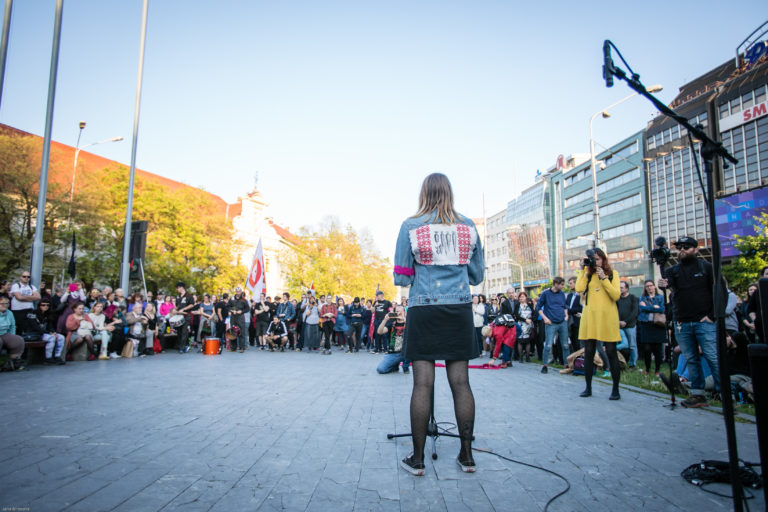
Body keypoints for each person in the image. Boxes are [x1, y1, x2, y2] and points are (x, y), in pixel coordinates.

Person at [393, 172, 484, 476]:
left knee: (422, 384)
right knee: (461, 383)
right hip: (458, 309)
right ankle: (467, 456)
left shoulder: (410, 226)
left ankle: (417, 460)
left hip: (425, 309)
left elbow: (402, 277)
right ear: (449, 192)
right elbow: (476, 276)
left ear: (424, 194)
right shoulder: (468, 226)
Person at [658, 236, 723, 408]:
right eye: (679, 248)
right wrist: (662, 284)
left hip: (704, 321)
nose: (682, 250)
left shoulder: (707, 268)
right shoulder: (673, 271)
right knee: (691, 359)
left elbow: (720, 291)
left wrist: (712, 316)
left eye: (686, 247)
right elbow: (668, 285)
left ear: (696, 249)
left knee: (712, 357)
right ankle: (698, 395)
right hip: (682, 323)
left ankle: (724, 394)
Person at [576, 249, 622, 400]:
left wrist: (604, 279)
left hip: (607, 317)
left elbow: (616, 295)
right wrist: (582, 270)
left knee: (611, 352)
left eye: (597, 259)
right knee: (588, 352)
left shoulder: (612, 274)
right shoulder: (588, 275)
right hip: (590, 317)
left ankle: (615, 389)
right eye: (592, 259)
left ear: (603, 259)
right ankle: (588, 387)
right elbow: (579, 288)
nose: (595, 262)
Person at [535, 277, 570, 374]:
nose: (563, 286)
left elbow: (564, 306)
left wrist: (566, 315)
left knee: (565, 345)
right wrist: (545, 318)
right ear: (555, 284)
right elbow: (538, 307)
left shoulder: (562, 294)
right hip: (551, 323)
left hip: (562, 322)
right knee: (548, 345)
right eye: (561, 284)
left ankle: (567, 365)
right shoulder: (545, 294)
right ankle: (544, 365)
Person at [22, 299, 66, 365]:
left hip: (45, 333)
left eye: (48, 305)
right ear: (39, 306)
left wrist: (53, 332)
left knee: (61, 337)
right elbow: (35, 327)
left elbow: (50, 326)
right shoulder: (32, 313)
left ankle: (57, 356)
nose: (46, 306)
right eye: (43, 305)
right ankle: (48, 358)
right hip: (34, 334)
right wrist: (49, 333)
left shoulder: (48, 314)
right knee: (51, 338)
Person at [637, 280, 666, 376]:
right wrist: (654, 307)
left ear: (654, 286)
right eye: (647, 286)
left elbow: (662, 309)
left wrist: (648, 307)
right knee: (647, 349)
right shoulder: (642, 298)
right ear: (645, 288)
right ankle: (648, 369)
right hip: (646, 325)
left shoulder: (660, 297)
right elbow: (642, 309)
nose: (649, 287)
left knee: (658, 349)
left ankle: (657, 370)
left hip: (657, 325)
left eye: (651, 285)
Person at [376, 305, 411, 373]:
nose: (399, 313)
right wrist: (385, 320)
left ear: (405, 313)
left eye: (401, 312)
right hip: (394, 353)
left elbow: (413, 333)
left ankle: (405, 366)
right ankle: (394, 366)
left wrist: (404, 319)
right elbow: (379, 332)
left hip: (406, 353)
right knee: (380, 369)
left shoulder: (408, 322)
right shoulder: (391, 323)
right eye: (397, 312)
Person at [617, 281, 639, 369]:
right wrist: (618, 321)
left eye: (621, 287)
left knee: (632, 345)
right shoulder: (617, 299)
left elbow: (634, 312)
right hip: (618, 325)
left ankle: (633, 364)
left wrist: (625, 321)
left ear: (626, 288)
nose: (620, 289)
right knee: (621, 345)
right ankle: (622, 362)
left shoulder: (633, 298)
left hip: (630, 326)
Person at [0, 296, 25, 370]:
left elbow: (12, 326)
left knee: (18, 340)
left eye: (7, 303)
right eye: (2, 303)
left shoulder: (9, 313)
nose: (5, 305)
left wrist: (12, 336)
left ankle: (14, 361)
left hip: (4, 333)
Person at [172, 282, 196, 353]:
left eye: (177, 288)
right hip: (179, 315)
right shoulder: (178, 296)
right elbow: (178, 305)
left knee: (184, 331)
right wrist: (175, 309)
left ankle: (182, 347)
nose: (177, 290)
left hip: (186, 315)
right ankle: (181, 345)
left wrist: (184, 309)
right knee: (179, 331)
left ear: (181, 287)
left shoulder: (189, 296)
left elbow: (192, 305)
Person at [513, 292, 535, 362]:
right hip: (520, 324)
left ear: (526, 297)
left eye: (523, 296)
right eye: (520, 297)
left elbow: (534, 313)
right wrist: (525, 320)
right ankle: (521, 357)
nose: (521, 298)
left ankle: (528, 357)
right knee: (520, 341)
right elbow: (516, 315)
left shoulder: (529, 305)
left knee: (527, 341)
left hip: (528, 325)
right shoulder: (517, 305)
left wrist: (530, 320)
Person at [228, 288, 249, 353]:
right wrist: (231, 310)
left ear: (241, 292)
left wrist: (242, 311)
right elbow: (227, 306)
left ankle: (241, 347)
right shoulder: (231, 299)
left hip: (240, 317)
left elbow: (247, 309)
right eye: (237, 291)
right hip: (233, 317)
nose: (238, 293)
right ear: (235, 292)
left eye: (239, 291)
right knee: (233, 332)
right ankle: (233, 347)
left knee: (241, 332)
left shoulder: (244, 300)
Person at [565, 276, 582, 352]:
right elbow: (565, 306)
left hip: (577, 321)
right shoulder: (569, 295)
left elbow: (581, 308)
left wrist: (570, 310)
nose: (570, 285)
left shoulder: (581, 295)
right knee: (572, 341)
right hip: (569, 321)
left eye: (571, 283)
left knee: (577, 341)